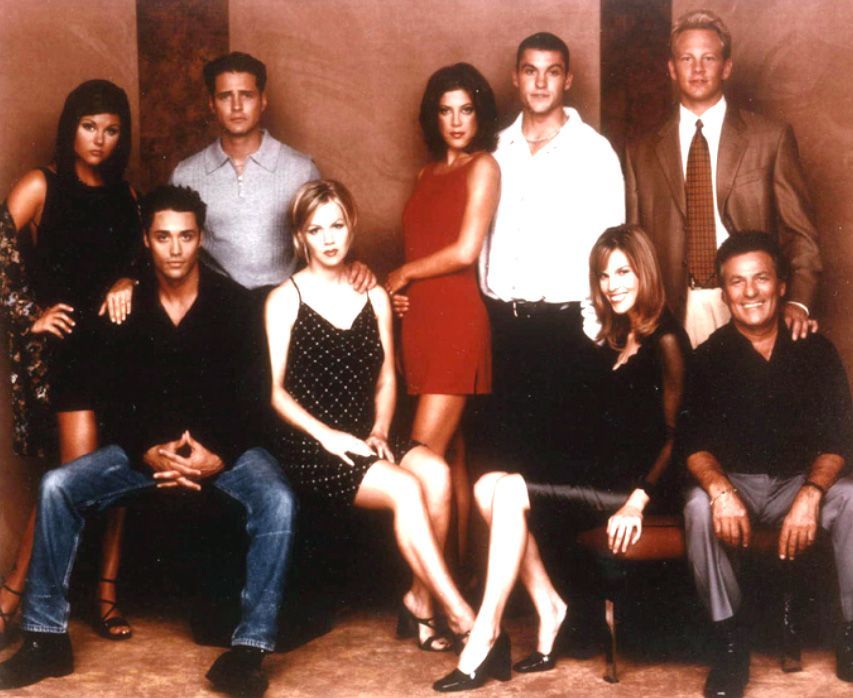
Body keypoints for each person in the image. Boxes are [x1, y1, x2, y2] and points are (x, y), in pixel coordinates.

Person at [0, 185, 296, 698]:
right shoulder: (125, 307)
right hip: (147, 452)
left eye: (186, 236)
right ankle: (46, 641)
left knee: (278, 499)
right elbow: (115, 402)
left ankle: (248, 652)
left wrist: (218, 455)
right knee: (56, 487)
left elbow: (253, 398)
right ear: (146, 240)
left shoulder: (236, 305)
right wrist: (147, 451)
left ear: (201, 238)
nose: (175, 249)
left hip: (223, 452)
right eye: (163, 237)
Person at [433, 225, 689, 691]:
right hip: (602, 476)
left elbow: (678, 437)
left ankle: (484, 634)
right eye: (604, 275)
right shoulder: (618, 336)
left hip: (636, 490)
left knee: (507, 492)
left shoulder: (667, 340)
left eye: (623, 272)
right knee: (487, 486)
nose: (612, 285)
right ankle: (550, 607)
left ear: (646, 273)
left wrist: (637, 502)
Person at [266, 180, 475, 653]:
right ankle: (461, 614)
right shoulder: (284, 300)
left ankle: (420, 600)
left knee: (437, 474)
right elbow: (275, 393)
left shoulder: (374, 295)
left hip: (368, 431)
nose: (329, 239)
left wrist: (380, 428)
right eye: (316, 229)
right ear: (300, 236)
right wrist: (328, 436)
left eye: (337, 225)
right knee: (406, 488)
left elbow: (386, 379)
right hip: (314, 443)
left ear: (351, 226)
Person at [681, 232, 853, 698]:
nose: (750, 291)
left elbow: (839, 438)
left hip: (799, 484)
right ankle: (729, 643)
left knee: (851, 497)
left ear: (781, 285)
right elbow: (692, 444)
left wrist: (810, 496)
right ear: (724, 293)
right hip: (735, 485)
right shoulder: (708, 357)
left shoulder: (815, 350)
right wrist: (721, 492)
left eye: (761, 278)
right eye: (737, 282)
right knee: (697, 506)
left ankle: (850, 632)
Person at [0, 80, 142, 644]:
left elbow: (144, 263)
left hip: (122, 351)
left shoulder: (128, 195)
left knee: (125, 468)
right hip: (70, 355)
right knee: (73, 479)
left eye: (111, 130)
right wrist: (28, 314)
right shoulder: (41, 184)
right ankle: (12, 595)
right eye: (89, 127)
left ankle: (106, 595)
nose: (99, 140)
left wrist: (130, 278)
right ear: (70, 128)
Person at [477, 30, 625, 489]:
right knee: (500, 462)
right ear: (515, 77)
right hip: (501, 329)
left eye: (552, 72)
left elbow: (611, 246)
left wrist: (592, 332)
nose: (540, 83)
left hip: (565, 331)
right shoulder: (493, 149)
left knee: (558, 471)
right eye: (530, 71)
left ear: (568, 80)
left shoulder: (594, 152)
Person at [625, 9, 822, 347]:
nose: (698, 69)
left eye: (709, 58)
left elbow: (801, 234)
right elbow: (634, 247)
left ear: (726, 67)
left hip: (752, 303)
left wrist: (798, 303)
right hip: (674, 311)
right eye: (687, 58)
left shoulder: (770, 138)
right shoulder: (640, 150)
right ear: (671, 69)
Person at [385, 63, 500, 576]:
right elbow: (421, 248)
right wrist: (402, 297)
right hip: (420, 325)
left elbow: (466, 250)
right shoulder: (425, 174)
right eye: (446, 110)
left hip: (457, 323)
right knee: (448, 460)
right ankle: (456, 579)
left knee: (419, 459)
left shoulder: (484, 167)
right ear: (433, 117)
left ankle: (427, 589)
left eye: (466, 110)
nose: (456, 121)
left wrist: (403, 274)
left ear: (480, 115)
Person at [170, 51, 373, 299]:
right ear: (211, 104)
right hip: (217, 306)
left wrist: (353, 265)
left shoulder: (301, 169)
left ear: (263, 100)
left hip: (286, 302)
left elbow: (328, 235)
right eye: (225, 96)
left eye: (246, 95)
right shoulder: (185, 175)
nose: (236, 106)